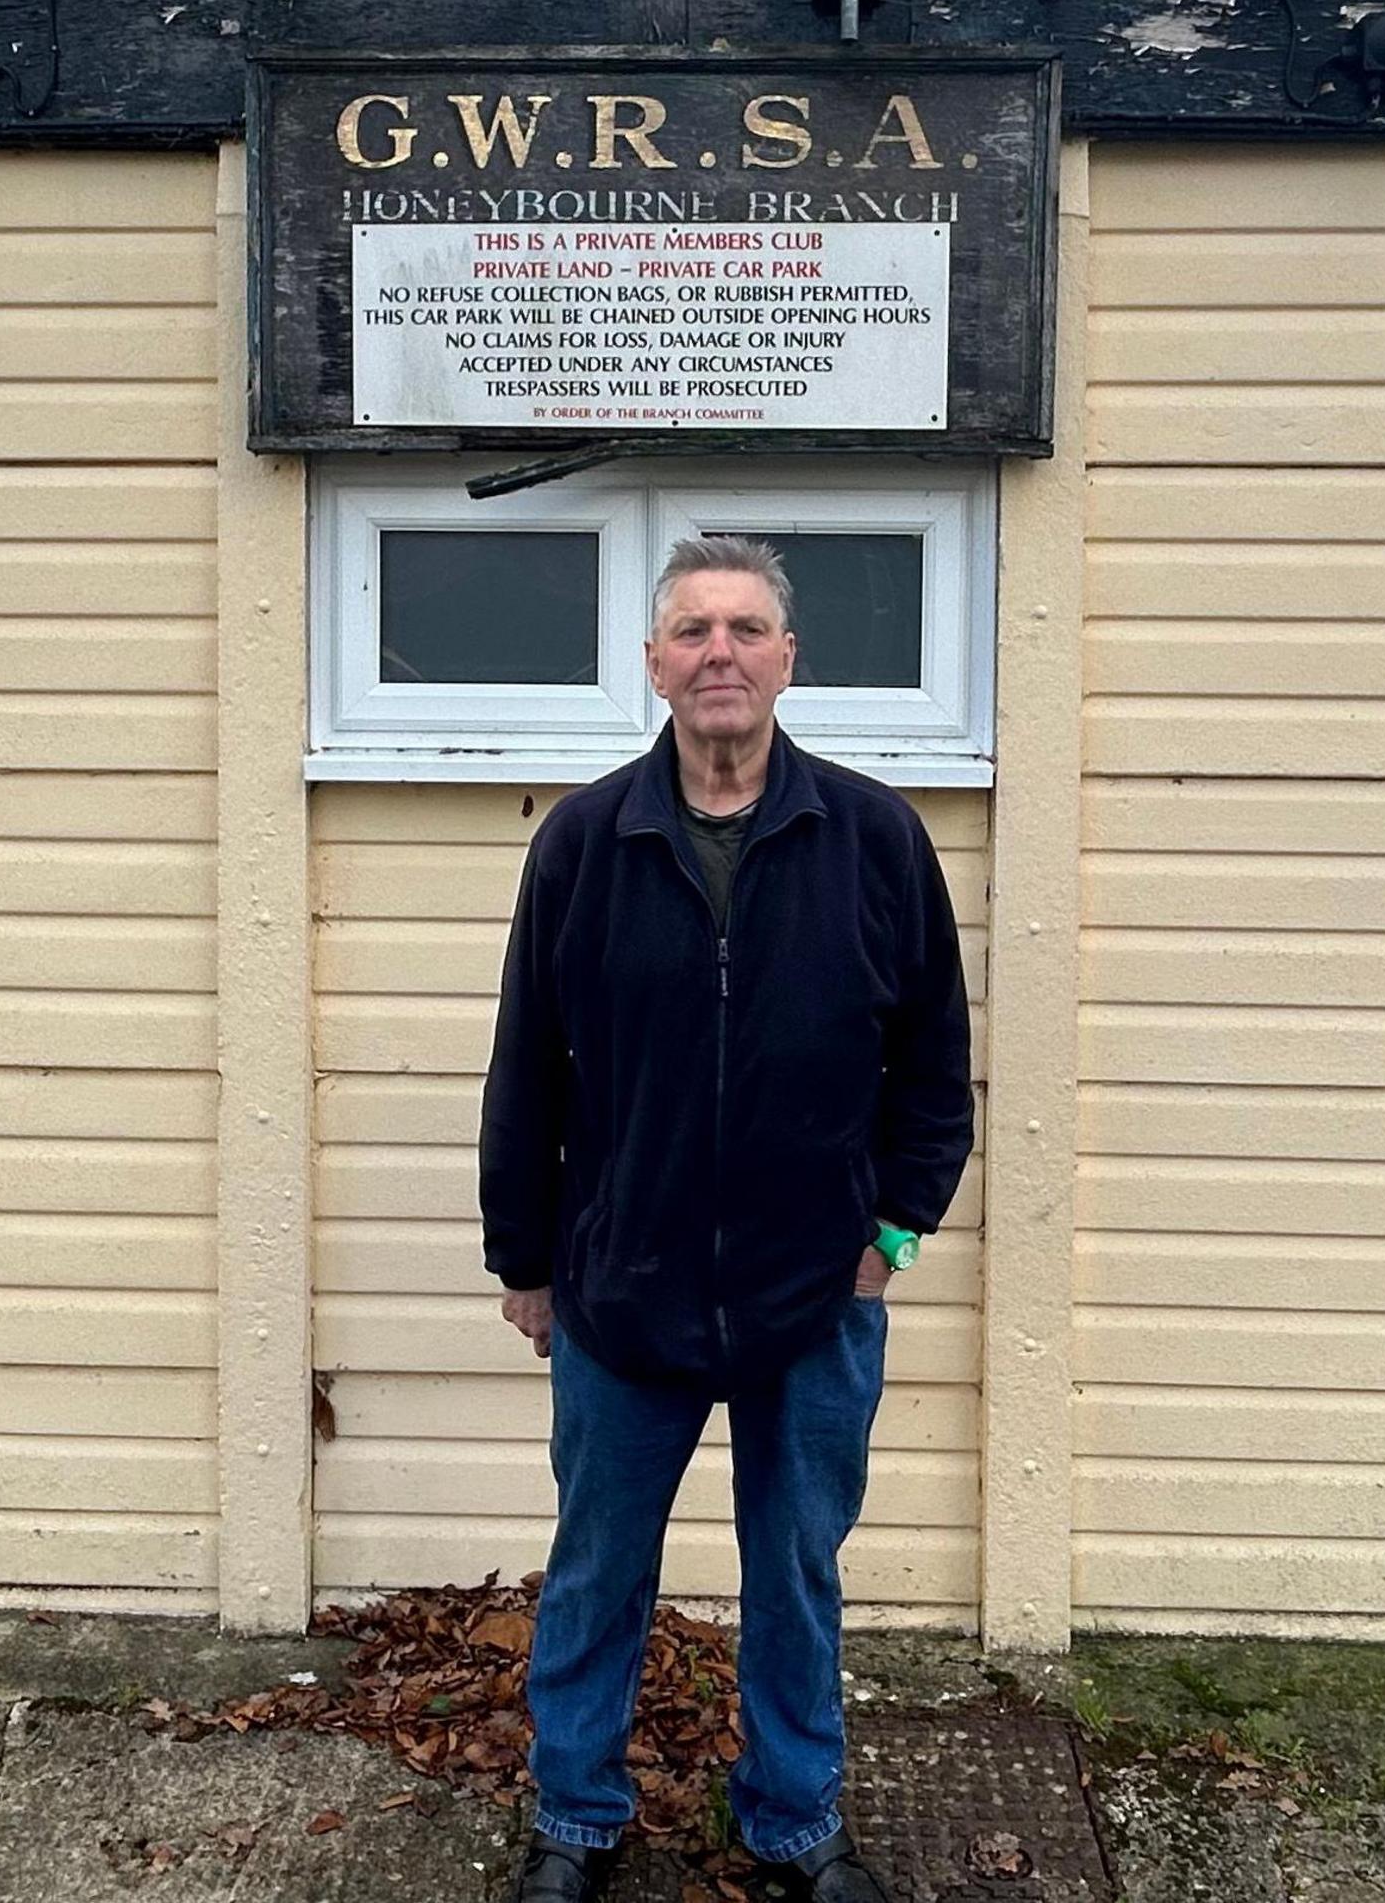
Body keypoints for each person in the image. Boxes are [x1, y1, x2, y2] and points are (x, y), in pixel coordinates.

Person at [480, 534, 975, 1903]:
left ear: (787, 661)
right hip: (623, 1294)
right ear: (652, 664)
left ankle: (796, 1819)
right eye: (692, 629)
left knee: (798, 1579)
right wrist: (525, 1259)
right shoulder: (587, 843)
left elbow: (933, 1069)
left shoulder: (874, 838)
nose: (719, 653)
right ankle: (574, 1821)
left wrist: (894, 1236)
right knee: (594, 1578)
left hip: (812, 1298)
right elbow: (530, 1066)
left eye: (746, 629)